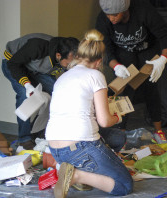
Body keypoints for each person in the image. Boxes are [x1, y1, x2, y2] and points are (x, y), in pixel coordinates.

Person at [45, 29, 133, 198]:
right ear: (99, 61)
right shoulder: (96, 75)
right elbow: (105, 121)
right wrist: (118, 116)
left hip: (55, 148)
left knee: (117, 137)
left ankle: (73, 170)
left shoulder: (64, 77)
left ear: (78, 56)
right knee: (124, 185)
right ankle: (77, 175)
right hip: (80, 146)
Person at [95, 0, 167, 143]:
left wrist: (163, 59)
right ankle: (121, 133)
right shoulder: (103, 19)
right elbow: (105, 48)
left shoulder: (143, 10)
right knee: (124, 90)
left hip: (147, 50)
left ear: (125, 10)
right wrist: (116, 66)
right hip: (122, 54)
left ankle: (158, 131)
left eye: (115, 15)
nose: (111, 18)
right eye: (108, 15)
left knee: (151, 87)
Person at [2, 33, 79, 150]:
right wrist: (27, 85)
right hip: (12, 62)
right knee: (24, 95)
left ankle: (43, 132)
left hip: (34, 68)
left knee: (57, 91)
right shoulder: (38, 46)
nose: (71, 66)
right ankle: (24, 139)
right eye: (69, 64)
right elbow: (14, 64)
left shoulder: (68, 51)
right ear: (58, 56)